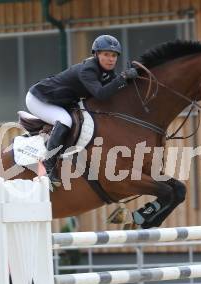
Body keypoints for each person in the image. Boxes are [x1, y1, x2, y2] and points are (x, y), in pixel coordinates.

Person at [25, 34, 139, 185]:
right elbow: (101, 94)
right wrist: (123, 77)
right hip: (39, 98)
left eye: (114, 55)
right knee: (65, 121)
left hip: (61, 101)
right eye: (106, 54)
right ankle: (48, 165)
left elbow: (114, 90)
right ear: (96, 54)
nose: (111, 59)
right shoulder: (88, 70)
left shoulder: (106, 72)